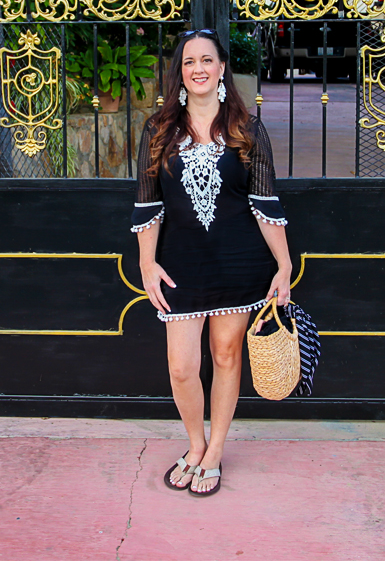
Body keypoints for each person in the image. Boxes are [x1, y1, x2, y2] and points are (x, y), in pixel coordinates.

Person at [131, 29, 292, 497]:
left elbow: (266, 202)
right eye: (188, 62)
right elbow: (147, 205)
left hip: (239, 260)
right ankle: (195, 443)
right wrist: (146, 264)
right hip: (180, 263)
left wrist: (283, 266)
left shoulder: (247, 129)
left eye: (207, 60)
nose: (198, 68)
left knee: (226, 354)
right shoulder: (159, 130)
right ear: (179, 73)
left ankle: (215, 450)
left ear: (222, 68)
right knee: (182, 366)